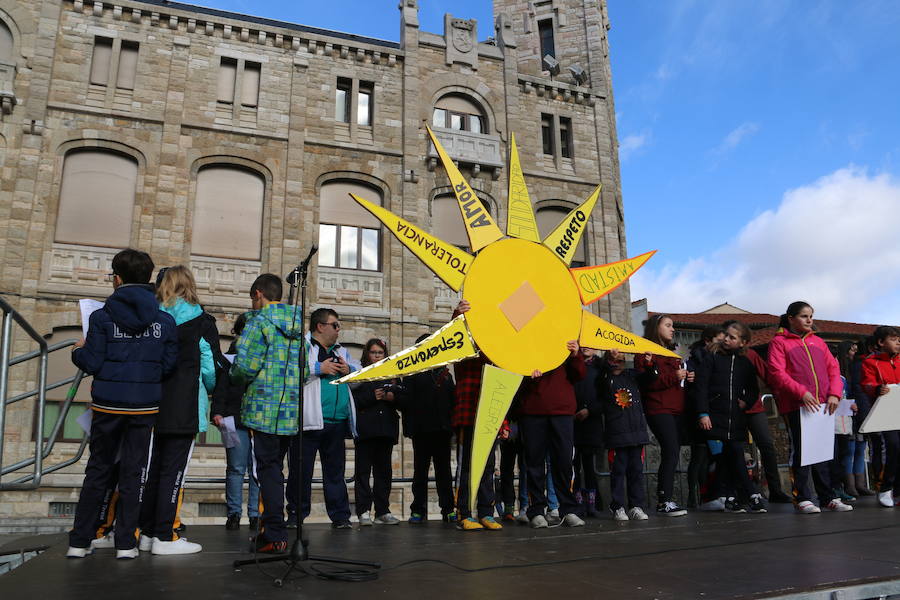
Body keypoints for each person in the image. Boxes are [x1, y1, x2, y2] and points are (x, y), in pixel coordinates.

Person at [66, 249, 178, 560]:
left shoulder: (100, 317)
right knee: (134, 473)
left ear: (117, 279)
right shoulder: (165, 322)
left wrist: (77, 350)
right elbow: (169, 364)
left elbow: (91, 361)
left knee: (99, 471)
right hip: (144, 408)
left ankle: (80, 541)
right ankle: (126, 543)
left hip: (107, 407)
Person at [137, 266, 220, 555]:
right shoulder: (201, 321)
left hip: (151, 402)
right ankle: (164, 537)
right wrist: (210, 386)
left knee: (155, 468)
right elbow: (210, 367)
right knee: (174, 473)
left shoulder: (151, 318)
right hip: (185, 404)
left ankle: (147, 533)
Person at [231, 273, 306, 553]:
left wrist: (235, 376)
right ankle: (272, 529)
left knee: (268, 471)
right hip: (289, 413)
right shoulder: (299, 328)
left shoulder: (258, 322)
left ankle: (274, 533)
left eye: (252, 299)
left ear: (258, 294)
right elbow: (306, 371)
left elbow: (244, 367)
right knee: (277, 470)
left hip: (263, 409)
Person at [767, 301, 852, 514]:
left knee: (823, 452)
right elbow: (777, 373)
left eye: (811, 316)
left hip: (823, 405)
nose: (809, 320)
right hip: (798, 404)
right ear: (791, 318)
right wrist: (801, 392)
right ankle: (803, 497)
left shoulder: (818, 342)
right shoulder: (779, 342)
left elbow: (834, 368)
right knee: (803, 451)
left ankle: (827, 497)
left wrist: (834, 393)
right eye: (804, 316)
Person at [290, 307, 359, 529]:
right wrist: (319, 367)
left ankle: (340, 517)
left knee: (336, 473)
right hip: (309, 422)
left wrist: (349, 369)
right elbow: (290, 371)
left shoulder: (341, 350)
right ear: (321, 326)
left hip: (336, 422)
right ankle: (296, 516)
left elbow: (359, 375)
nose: (339, 330)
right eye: (335, 325)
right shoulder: (302, 346)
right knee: (301, 472)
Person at [695, 321, 766, 514]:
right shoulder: (713, 358)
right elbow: (701, 386)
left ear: (742, 342)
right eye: (726, 335)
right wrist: (703, 413)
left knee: (729, 455)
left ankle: (730, 496)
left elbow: (753, 388)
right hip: (715, 415)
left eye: (732, 337)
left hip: (735, 417)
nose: (726, 339)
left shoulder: (745, 363)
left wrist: (746, 401)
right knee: (732, 452)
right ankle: (751, 494)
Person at [517, 339, 586, 528]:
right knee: (534, 463)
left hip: (562, 410)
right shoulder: (525, 340)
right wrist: (527, 377)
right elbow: (514, 374)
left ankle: (568, 509)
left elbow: (579, 375)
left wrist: (575, 355)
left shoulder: (563, 336)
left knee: (564, 462)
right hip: (533, 410)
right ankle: (536, 510)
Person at [452, 300, 502, 531]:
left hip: (490, 416)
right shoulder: (465, 350)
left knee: (488, 465)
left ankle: (486, 512)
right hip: (468, 414)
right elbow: (452, 340)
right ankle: (464, 512)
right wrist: (457, 316)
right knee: (466, 467)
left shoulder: (497, 351)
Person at [635, 314, 690, 516]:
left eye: (673, 326)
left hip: (676, 408)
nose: (672, 329)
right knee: (671, 450)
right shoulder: (646, 352)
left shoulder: (671, 353)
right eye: (668, 325)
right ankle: (664, 499)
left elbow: (674, 381)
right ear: (655, 327)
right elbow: (647, 384)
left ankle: (665, 499)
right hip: (658, 408)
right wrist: (673, 377)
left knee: (672, 451)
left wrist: (686, 376)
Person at [399, 334, 456, 524]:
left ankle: (448, 509)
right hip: (421, 430)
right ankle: (418, 510)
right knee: (420, 472)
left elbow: (452, 400)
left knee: (444, 472)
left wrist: (451, 425)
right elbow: (405, 400)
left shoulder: (445, 373)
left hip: (442, 430)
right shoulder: (412, 372)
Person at [211, 312, 260, 531]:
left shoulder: (262, 357)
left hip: (258, 420)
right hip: (232, 419)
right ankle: (234, 513)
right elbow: (221, 387)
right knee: (235, 468)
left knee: (257, 470)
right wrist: (217, 411)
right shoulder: (229, 357)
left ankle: (255, 513)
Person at [351, 338, 401, 526]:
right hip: (365, 430)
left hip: (386, 430)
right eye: (373, 352)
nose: (377, 356)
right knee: (363, 472)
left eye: (380, 353)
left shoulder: (392, 372)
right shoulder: (360, 373)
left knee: (384, 472)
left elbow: (403, 398)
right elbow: (353, 400)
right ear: (367, 354)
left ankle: (383, 510)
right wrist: (372, 397)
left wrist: (392, 397)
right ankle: (363, 511)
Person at [598, 349, 650, 521]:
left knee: (636, 471)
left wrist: (649, 362)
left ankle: (636, 506)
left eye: (620, 360)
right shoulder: (605, 378)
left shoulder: (632, 375)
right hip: (617, 434)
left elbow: (651, 377)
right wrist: (608, 362)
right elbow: (602, 376)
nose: (617, 363)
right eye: (613, 360)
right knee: (618, 472)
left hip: (637, 433)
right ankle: (618, 506)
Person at [861, 325, 900, 507]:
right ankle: (885, 488)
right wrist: (877, 388)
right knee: (892, 447)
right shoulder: (871, 362)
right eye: (893, 339)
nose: (898, 342)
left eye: (898, 339)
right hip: (885, 412)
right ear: (881, 342)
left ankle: (897, 491)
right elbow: (866, 384)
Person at [685, 326, 723, 508]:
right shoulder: (694, 360)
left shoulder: (718, 358)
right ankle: (695, 496)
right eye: (720, 339)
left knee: (714, 456)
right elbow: (691, 387)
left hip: (715, 413)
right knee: (699, 456)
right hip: (698, 413)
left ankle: (711, 494)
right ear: (708, 341)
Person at [573, 346, 604, 517]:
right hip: (573, 421)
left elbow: (604, 397)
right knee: (574, 465)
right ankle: (577, 502)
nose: (586, 347)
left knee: (590, 466)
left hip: (591, 422)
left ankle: (592, 503)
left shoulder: (599, 368)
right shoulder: (571, 365)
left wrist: (590, 410)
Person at [849, 337, 876, 496]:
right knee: (854, 450)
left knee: (861, 449)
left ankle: (859, 484)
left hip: (863, 411)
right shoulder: (861, 365)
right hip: (860, 412)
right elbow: (859, 390)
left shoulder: (860, 364)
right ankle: (853, 485)